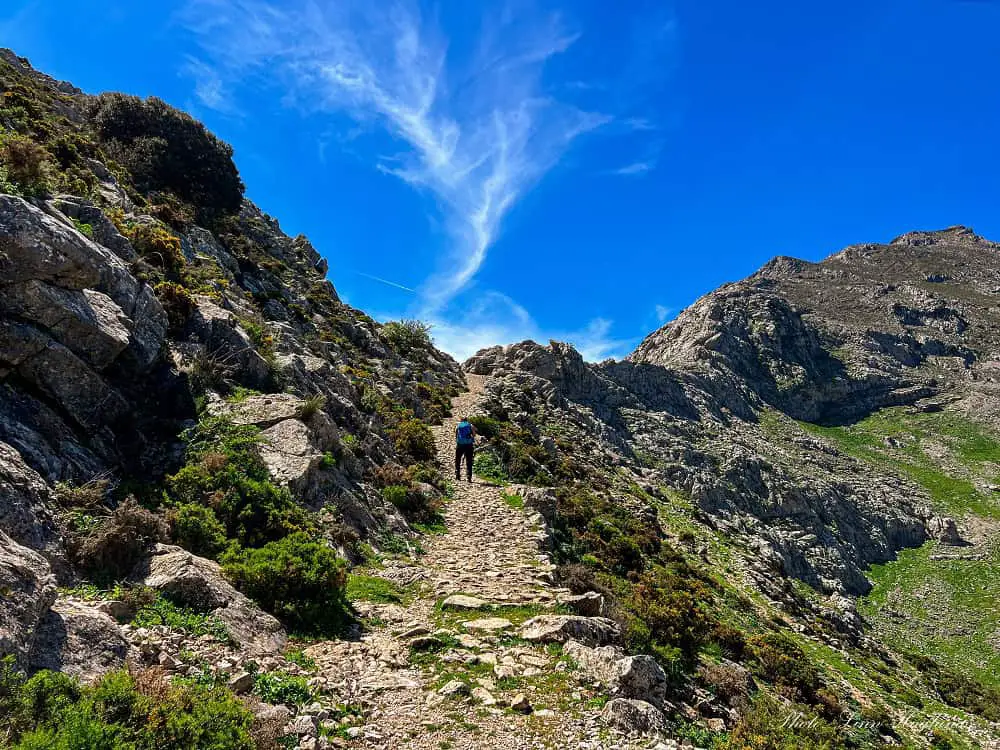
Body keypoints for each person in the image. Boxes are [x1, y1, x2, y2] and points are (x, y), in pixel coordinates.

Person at [455, 416, 477, 482]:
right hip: (469, 445)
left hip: (460, 445)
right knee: (469, 460)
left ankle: (457, 475)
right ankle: (469, 476)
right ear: (467, 420)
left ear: (461, 420)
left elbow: (456, 434)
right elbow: (474, 435)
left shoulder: (458, 425)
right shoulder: (470, 425)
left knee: (458, 459)